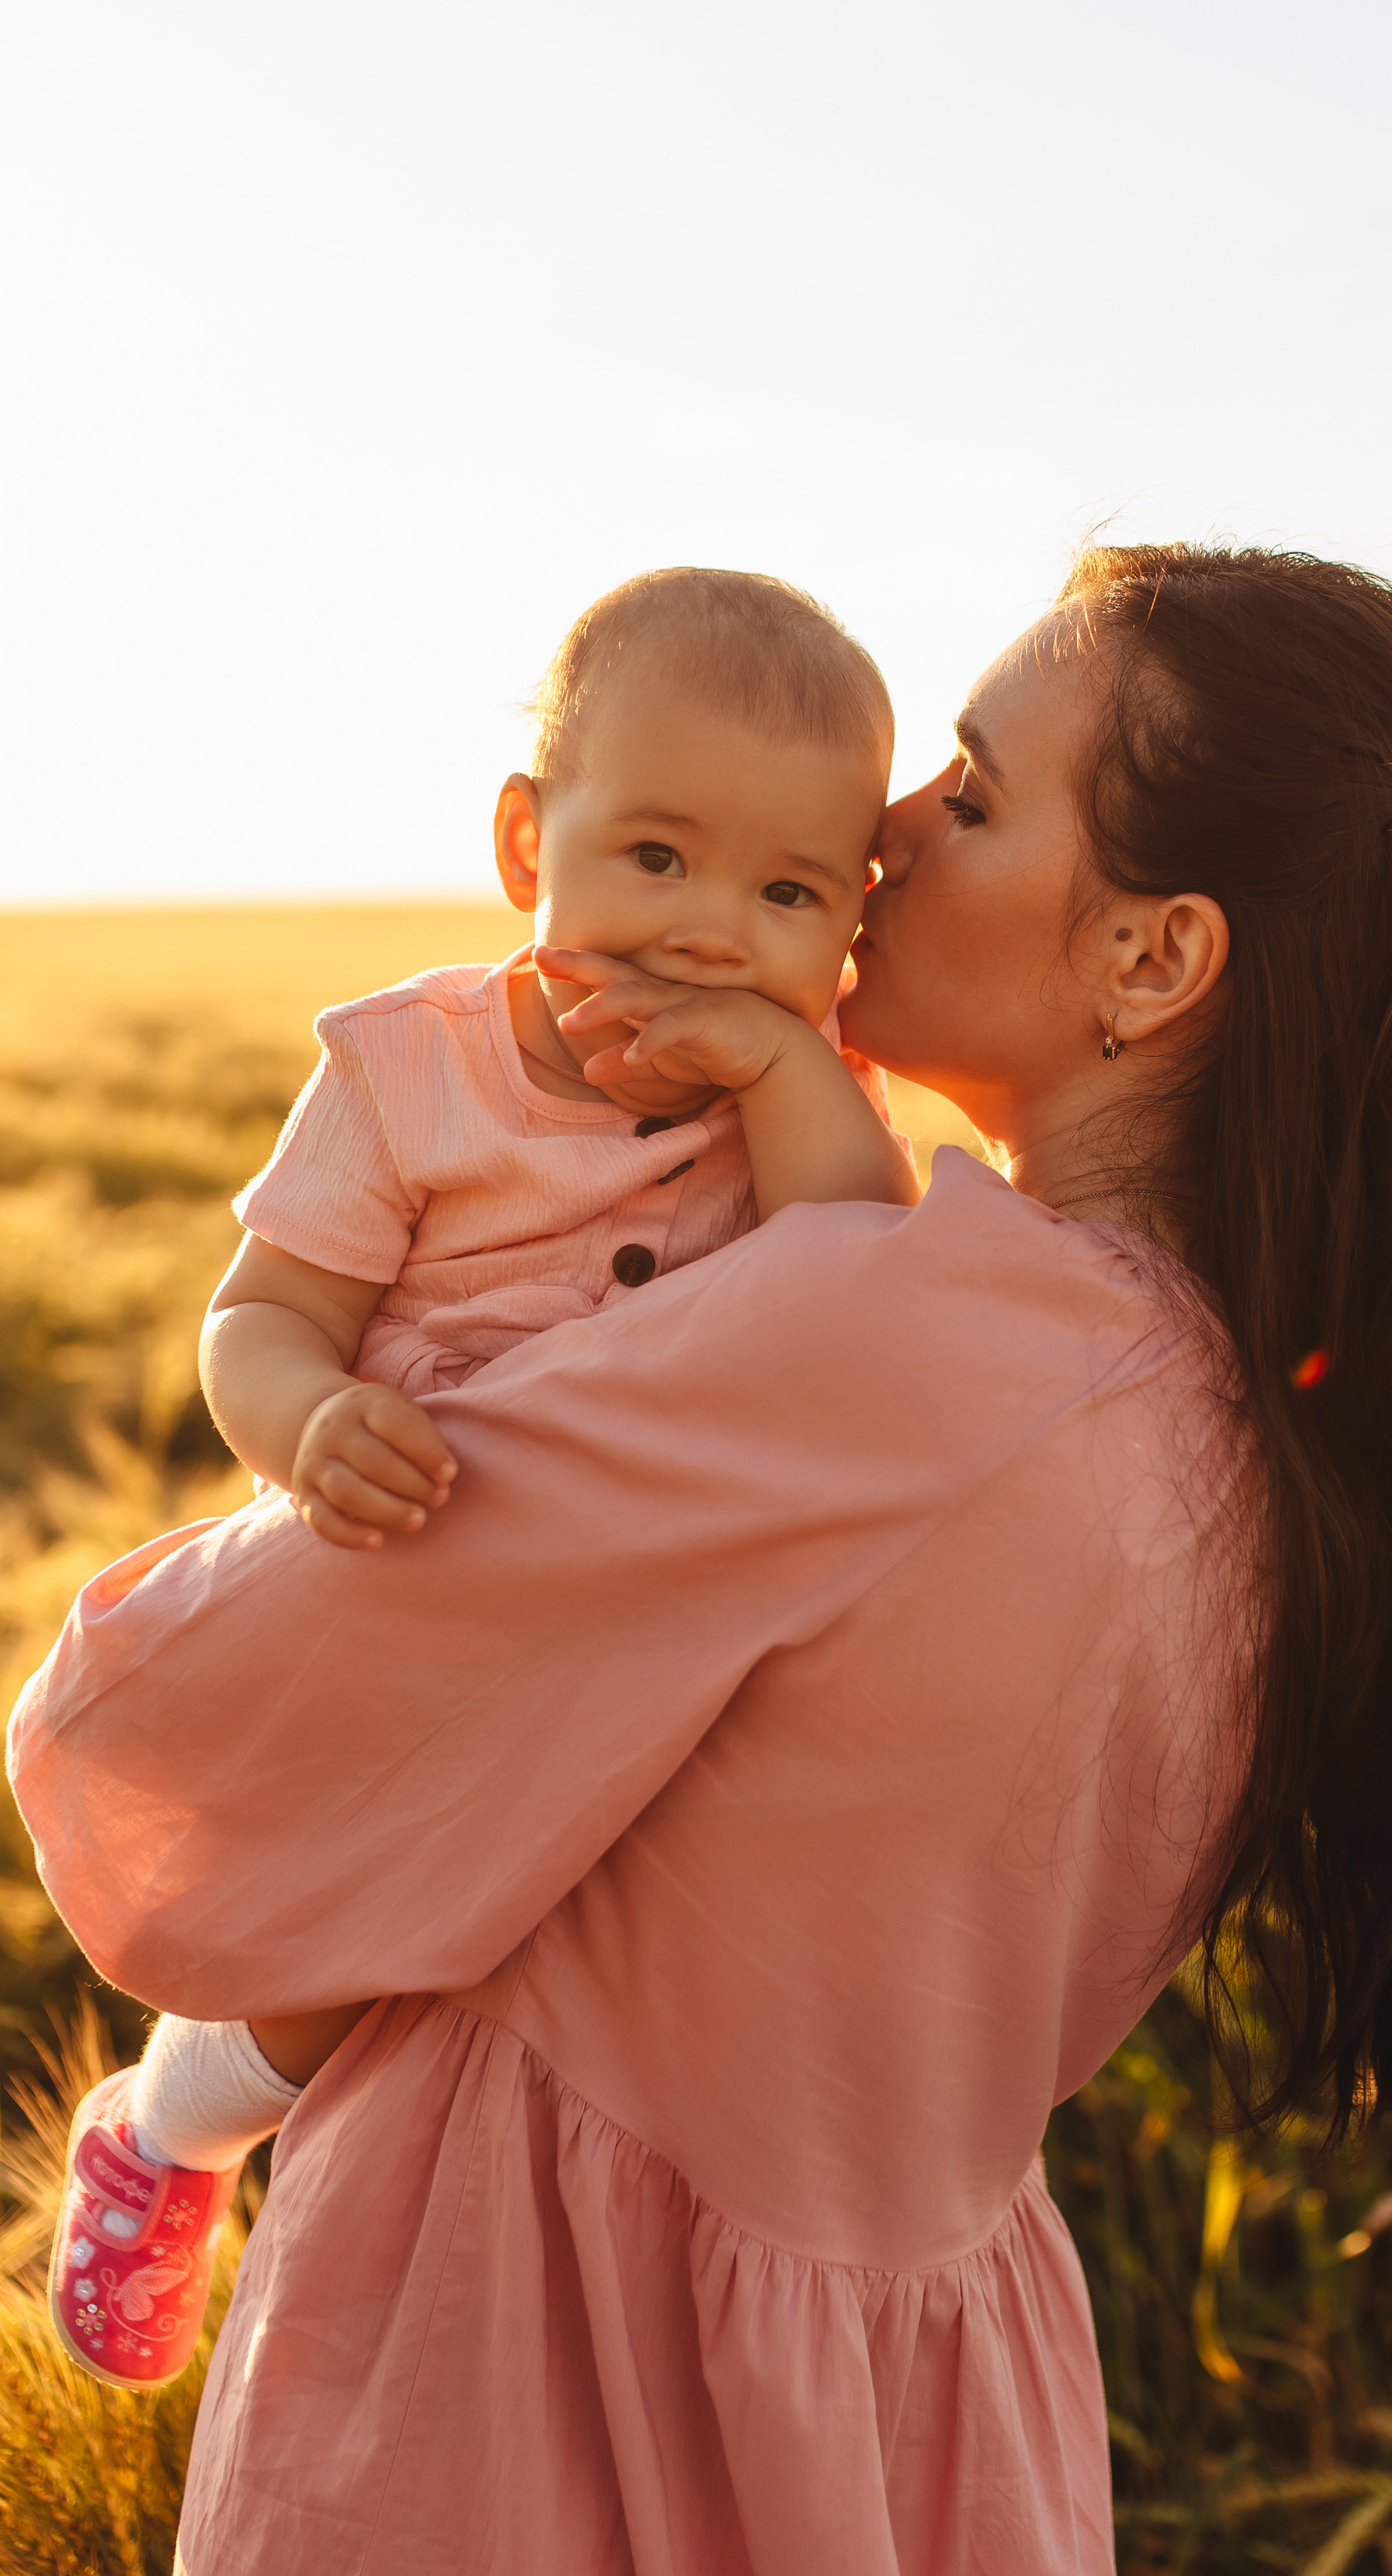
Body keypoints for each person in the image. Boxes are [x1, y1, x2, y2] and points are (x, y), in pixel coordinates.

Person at [10, 543, 1392, 2576]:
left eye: (978, 792)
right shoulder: (1271, 1443)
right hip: (915, 2443)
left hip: (538, 2407)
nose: (890, 829)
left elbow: (156, 1734)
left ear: (1154, 957)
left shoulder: (896, 1341)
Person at [45, 567, 919, 2392]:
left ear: (851, 922)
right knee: (367, 1929)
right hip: (404, 1561)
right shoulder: (410, 1069)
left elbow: (855, 1266)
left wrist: (777, 1065)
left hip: (629, 1617)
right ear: (529, 842)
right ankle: (173, 2128)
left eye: (787, 894)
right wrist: (308, 1425)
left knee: (544, 1935)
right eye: (656, 856)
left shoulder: (801, 1103)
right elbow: (262, 1316)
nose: (710, 932)